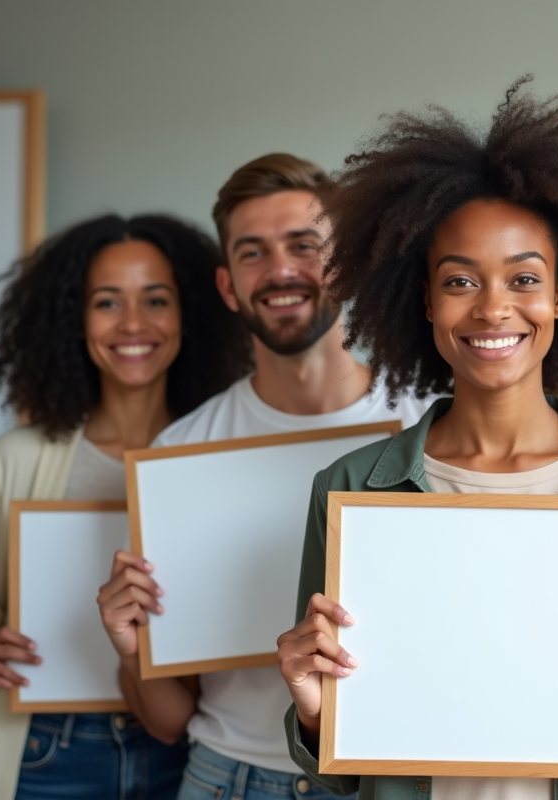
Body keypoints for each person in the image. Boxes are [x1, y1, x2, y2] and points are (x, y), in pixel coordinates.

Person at [275, 77, 558, 800]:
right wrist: (310, 714)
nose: (493, 309)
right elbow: (343, 768)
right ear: (424, 298)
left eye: (523, 278)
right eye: (460, 282)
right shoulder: (349, 491)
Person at [96, 154, 430, 800]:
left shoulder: (429, 425)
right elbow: (167, 721)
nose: (280, 270)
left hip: (382, 779)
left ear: (347, 265)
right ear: (227, 287)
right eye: (254, 253)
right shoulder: (182, 452)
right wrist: (129, 645)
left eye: (304, 246)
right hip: (227, 777)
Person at [0, 214, 252, 800]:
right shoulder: (17, 458)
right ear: (74, 320)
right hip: (44, 751)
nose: (133, 323)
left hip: (187, 751)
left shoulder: (218, 457)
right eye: (107, 303)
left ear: (188, 313)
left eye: (155, 299)